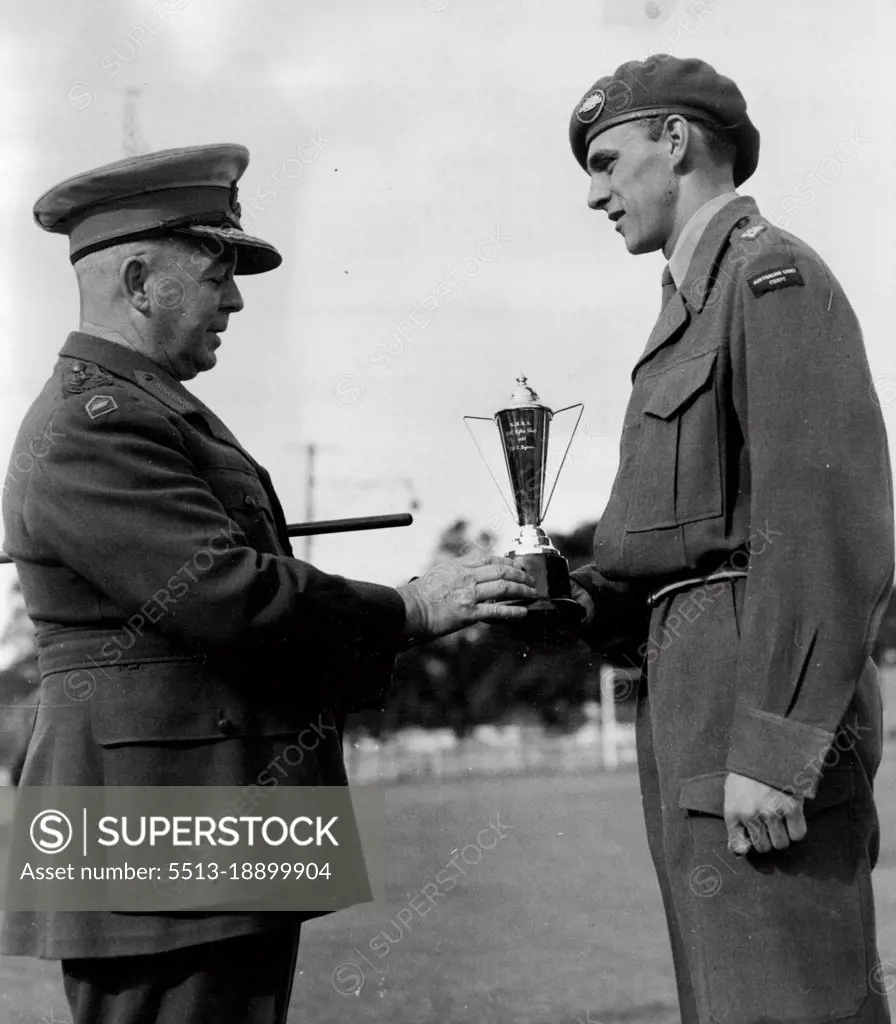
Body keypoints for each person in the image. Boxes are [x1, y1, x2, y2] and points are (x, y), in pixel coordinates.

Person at [0, 143, 536, 1024]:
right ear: (138, 280)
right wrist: (410, 606)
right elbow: (228, 594)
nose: (236, 299)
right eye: (217, 271)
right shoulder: (97, 425)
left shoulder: (145, 407)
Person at [564, 56, 894, 1023]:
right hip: (694, 689)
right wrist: (563, 599)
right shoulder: (689, 302)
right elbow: (669, 552)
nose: (595, 194)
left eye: (607, 160)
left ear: (678, 140)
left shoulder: (769, 276)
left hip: (755, 698)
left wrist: (779, 743)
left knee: (790, 998)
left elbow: (829, 522)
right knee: (730, 996)